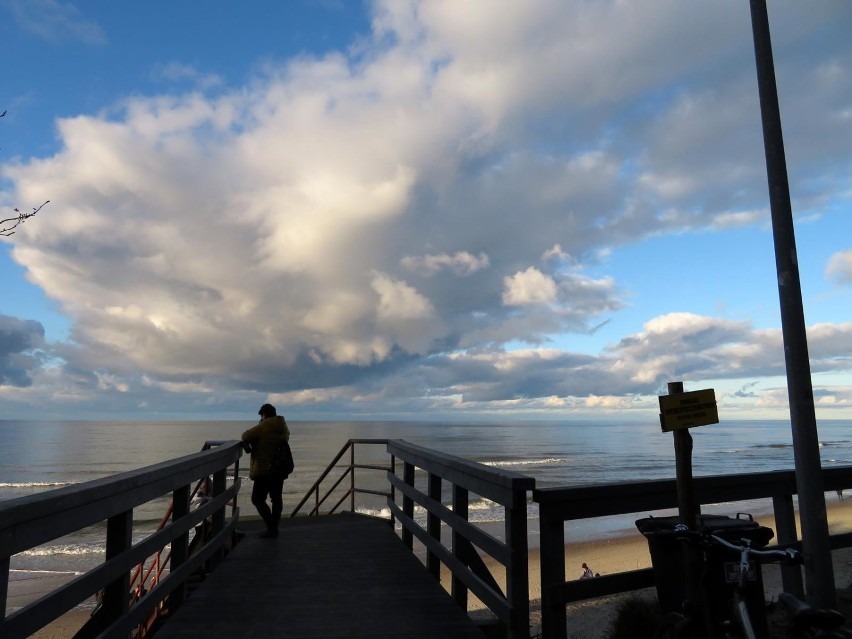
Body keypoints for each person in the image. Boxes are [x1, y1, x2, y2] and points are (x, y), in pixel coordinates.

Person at [241, 403, 291, 538]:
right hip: (279, 468)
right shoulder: (282, 426)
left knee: (257, 499)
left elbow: (245, 435)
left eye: (261, 416)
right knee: (276, 499)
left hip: (265, 469)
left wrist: (261, 424)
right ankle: (274, 527)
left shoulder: (265, 425)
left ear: (263, 415)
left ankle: (271, 527)